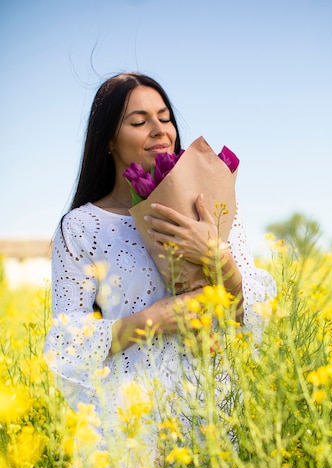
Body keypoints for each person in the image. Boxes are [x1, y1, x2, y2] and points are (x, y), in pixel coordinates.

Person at [44, 71, 276, 423]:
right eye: (139, 121)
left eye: (165, 118)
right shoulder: (81, 227)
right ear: (108, 140)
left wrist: (218, 258)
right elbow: (67, 341)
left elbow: (251, 317)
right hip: (131, 420)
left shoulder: (214, 204)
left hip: (211, 411)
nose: (160, 130)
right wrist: (152, 319)